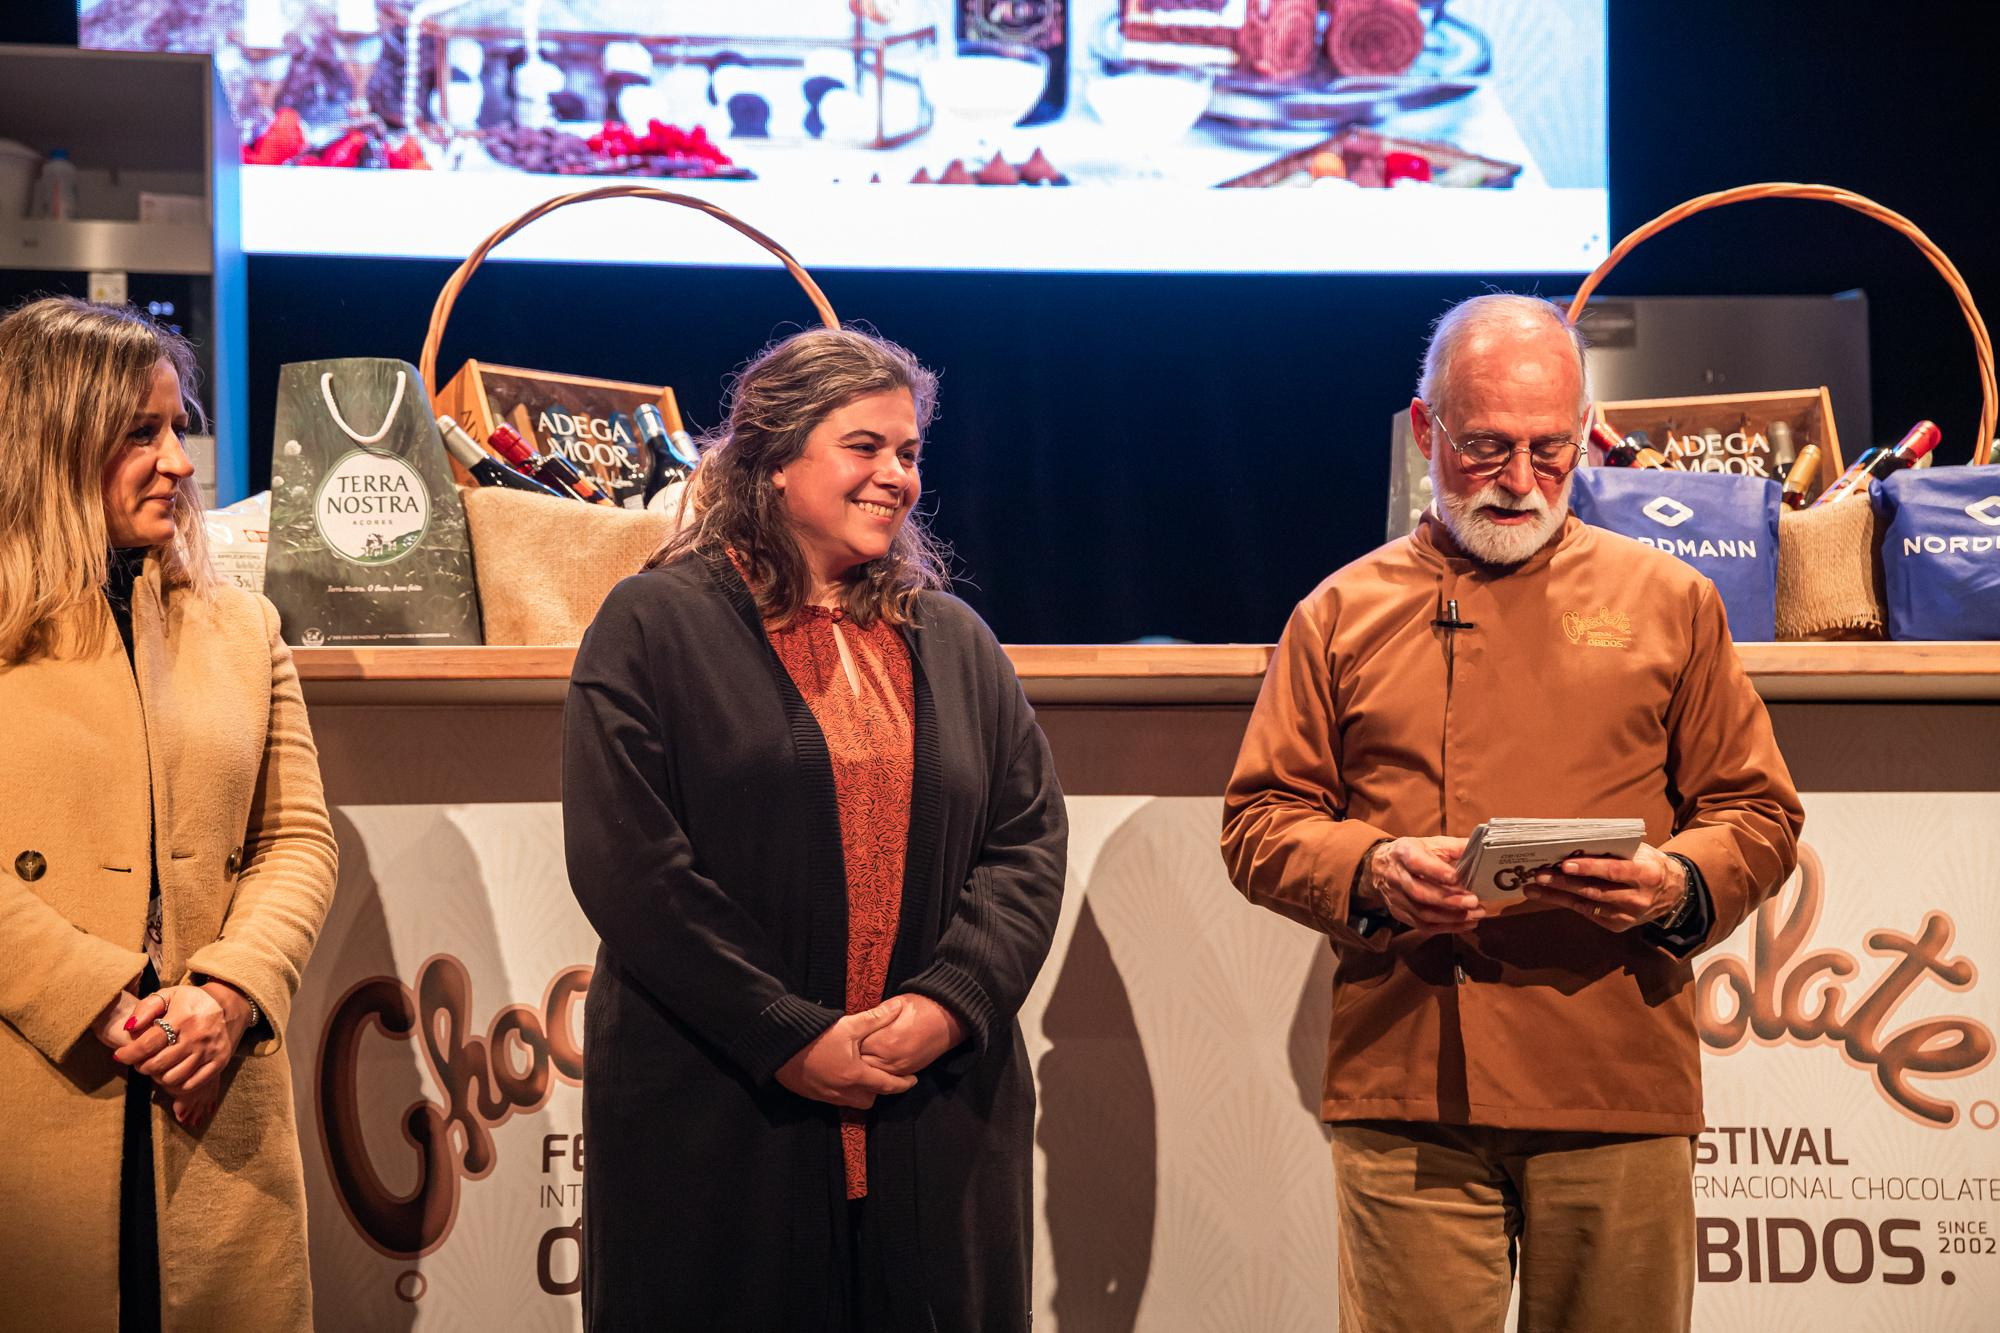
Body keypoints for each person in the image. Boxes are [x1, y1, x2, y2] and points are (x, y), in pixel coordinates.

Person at [1220, 294, 1803, 1332]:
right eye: (1484, 447)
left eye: (1547, 448)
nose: (1519, 481)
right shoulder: (1339, 612)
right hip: (1407, 1085)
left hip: (1612, 1074)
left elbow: (1753, 810)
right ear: (1422, 430)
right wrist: (1369, 870)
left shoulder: (1668, 601)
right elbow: (1261, 819)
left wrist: (1676, 883)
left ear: (1582, 434)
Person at [562, 327, 1067, 1331]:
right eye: (864, 446)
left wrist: (947, 1004)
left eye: (909, 452)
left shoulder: (953, 640)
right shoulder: (653, 626)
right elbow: (633, 869)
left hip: (934, 1106)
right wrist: (786, 1034)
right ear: (776, 459)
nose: (895, 475)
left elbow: (1025, 844)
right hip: (721, 1108)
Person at [0, 297, 338, 1330]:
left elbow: (296, 838)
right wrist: (94, 996)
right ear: (53, 442)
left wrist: (232, 991)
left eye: (175, 426)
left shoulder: (242, 624)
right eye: (139, 433)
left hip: (212, 1087)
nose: (180, 462)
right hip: (42, 1077)